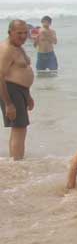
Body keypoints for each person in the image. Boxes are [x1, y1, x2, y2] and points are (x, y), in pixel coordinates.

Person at [0, 20, 35, 160]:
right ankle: (17, 163)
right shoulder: (7, 49)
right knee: (19, 128)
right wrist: (8, 103)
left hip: (20, 91)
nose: (23, 36)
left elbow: (22, 71)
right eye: (19, 33)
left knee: (19, 128)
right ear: (10, 32)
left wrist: (28, 95)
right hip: (10, 90)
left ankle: (15, 161)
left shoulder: (18, 47)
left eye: (25, 32)